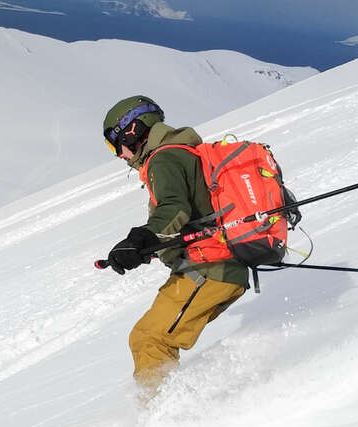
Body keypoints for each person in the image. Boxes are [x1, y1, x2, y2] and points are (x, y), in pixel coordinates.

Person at [101, 95, 250, 397]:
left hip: (211, 268)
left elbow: (174, 210)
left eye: (114, 144)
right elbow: (193, 214)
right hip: (211, 266)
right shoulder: (180, 152)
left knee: (150, 339)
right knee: (150, 337)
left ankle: (163, 422)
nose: (118, 155)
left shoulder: (164, 159)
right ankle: (171, 410)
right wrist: (148, 248)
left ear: (133, 130)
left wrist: (140, 238)